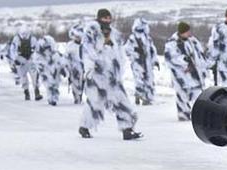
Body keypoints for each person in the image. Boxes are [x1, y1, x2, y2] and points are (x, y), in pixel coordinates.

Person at [78, 9, 142, 140]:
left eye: (109, 18)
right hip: (97, 73)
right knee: (95, 102)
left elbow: (120, 52)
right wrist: (89, 68)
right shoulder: (91, 32)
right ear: (99, 18)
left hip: (113, 75)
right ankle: (84, 127)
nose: (107, 20)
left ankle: (127, 130)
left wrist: (120, 69)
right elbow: (87, 51)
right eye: (104, 18)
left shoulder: (114, 34)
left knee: (121, 101)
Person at [164, 21, 208, 121]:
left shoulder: (193, 41)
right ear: (181, 32)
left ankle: (199, 113)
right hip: (181, 76)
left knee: (198, 94)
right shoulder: (172, 43)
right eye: (187, 31)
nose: (189, 33)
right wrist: (184, 62)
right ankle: (183, 114)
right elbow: (170, 58)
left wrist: (204, 66)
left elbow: (200, 56)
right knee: (182, 95)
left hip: (195, 74)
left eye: (189, 31)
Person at [124, 17, 159, 106]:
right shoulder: (133, 38)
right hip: (137, 62)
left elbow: (152, 50)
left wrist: (155, 61)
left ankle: (147, 98)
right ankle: (139, 95)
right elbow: (127, 49)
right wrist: (136, 54)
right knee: (139, 80)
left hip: (147, 62)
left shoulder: (148, 39)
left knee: (149, 80)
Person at [10, 26, 42, 101]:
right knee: (23, 77)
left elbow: (37, 49)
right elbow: (12, 50)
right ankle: (26, 92)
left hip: (31, 59)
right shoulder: (16, 39)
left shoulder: (32, 39)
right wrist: (15, 59)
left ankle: (36, 92)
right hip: (21, 60)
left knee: (34, 76)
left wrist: (37, 59)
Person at [34, 35, 66, 106]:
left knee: (55, 86)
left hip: (55, 72)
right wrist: (41, 69)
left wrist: (63, 69)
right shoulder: (39, 54)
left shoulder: (55, 54)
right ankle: (51, 99)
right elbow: (37, 62)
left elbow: (61, 61)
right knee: (48, 85)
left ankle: (54, 98)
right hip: (46, 72)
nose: (47, 49)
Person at [65, 24, 85, 104]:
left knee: (83, 83)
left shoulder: (86, 45)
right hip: (74, 68)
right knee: (75, 84)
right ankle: (77, 97)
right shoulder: (70, 45)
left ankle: (80, 95)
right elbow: (66, 56)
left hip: (84, 67)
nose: (78, 38)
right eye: (76, 36)